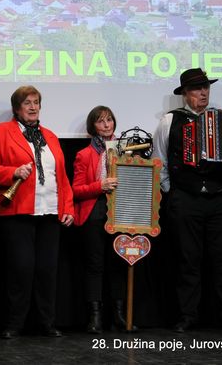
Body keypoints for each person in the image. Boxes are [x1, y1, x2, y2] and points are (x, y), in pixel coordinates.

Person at [152, 68, 222, 333]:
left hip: (220, 198)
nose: (203, 93)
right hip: (186, 198)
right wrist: (171, 192)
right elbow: (159, 160)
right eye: (197, 88)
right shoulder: (169, 121)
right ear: (185, 93)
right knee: (188, 259)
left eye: (206, 87)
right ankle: (187, 316)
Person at [0, 85, 75, 339]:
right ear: (16, 108)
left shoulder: (50, 136)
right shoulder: (1, 132)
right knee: (21, 269)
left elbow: (61, 176)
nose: (33, 107)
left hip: (50, 211)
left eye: (36, 102)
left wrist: (68, 207)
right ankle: (15, 323)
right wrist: (11, 172)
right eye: (27, 103)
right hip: (17, 211)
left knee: (47, 270)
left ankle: (47, 323)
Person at [72, 106, 135, 334]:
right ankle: (95, 317)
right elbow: (76, 190)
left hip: (121, 211)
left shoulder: (126, 150)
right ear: (93, 126)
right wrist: (100, 185)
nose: (106, 125)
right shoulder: (84, 155)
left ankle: (118, 316)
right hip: (95, 211)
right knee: (95, 265)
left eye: (109, 120)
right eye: (101, 121)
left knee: (119, 263)